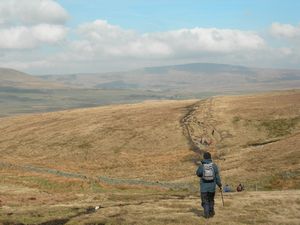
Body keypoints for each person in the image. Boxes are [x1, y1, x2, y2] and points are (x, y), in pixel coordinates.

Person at [196, 151, 222, 219]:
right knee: (211, 200)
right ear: (210, 157)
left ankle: (207, 215)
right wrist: (219, 184)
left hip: (204, 188)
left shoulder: (202, 166)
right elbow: (217, 177)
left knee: (205, 201)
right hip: (212, 188)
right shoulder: (214, 166)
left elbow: (198, 173)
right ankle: (211, 212)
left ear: (204, 157)